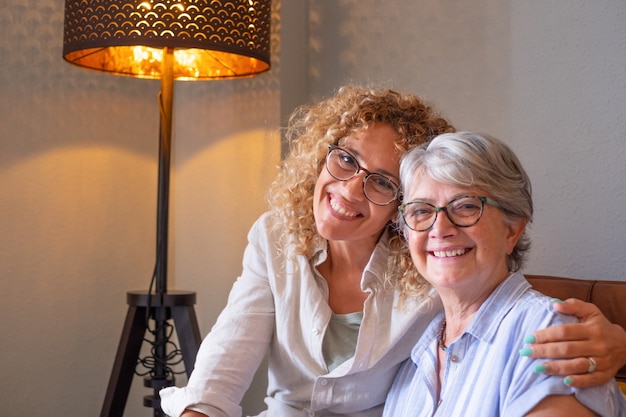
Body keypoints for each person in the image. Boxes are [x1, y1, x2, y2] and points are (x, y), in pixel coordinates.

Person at [160, 86, 626, 417]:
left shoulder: (431, 271)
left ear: (400, 210)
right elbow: (220, 369)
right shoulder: (275, 238)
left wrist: (618, 344)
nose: (350, 189)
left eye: (382, 182)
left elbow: (499, 302)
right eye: (346, 159)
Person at [384, 131, 626, 416]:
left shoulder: (549, 331)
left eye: (466, 206)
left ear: (513, 229)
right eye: (422, 211)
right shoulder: (414, 348)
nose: (440, 228)